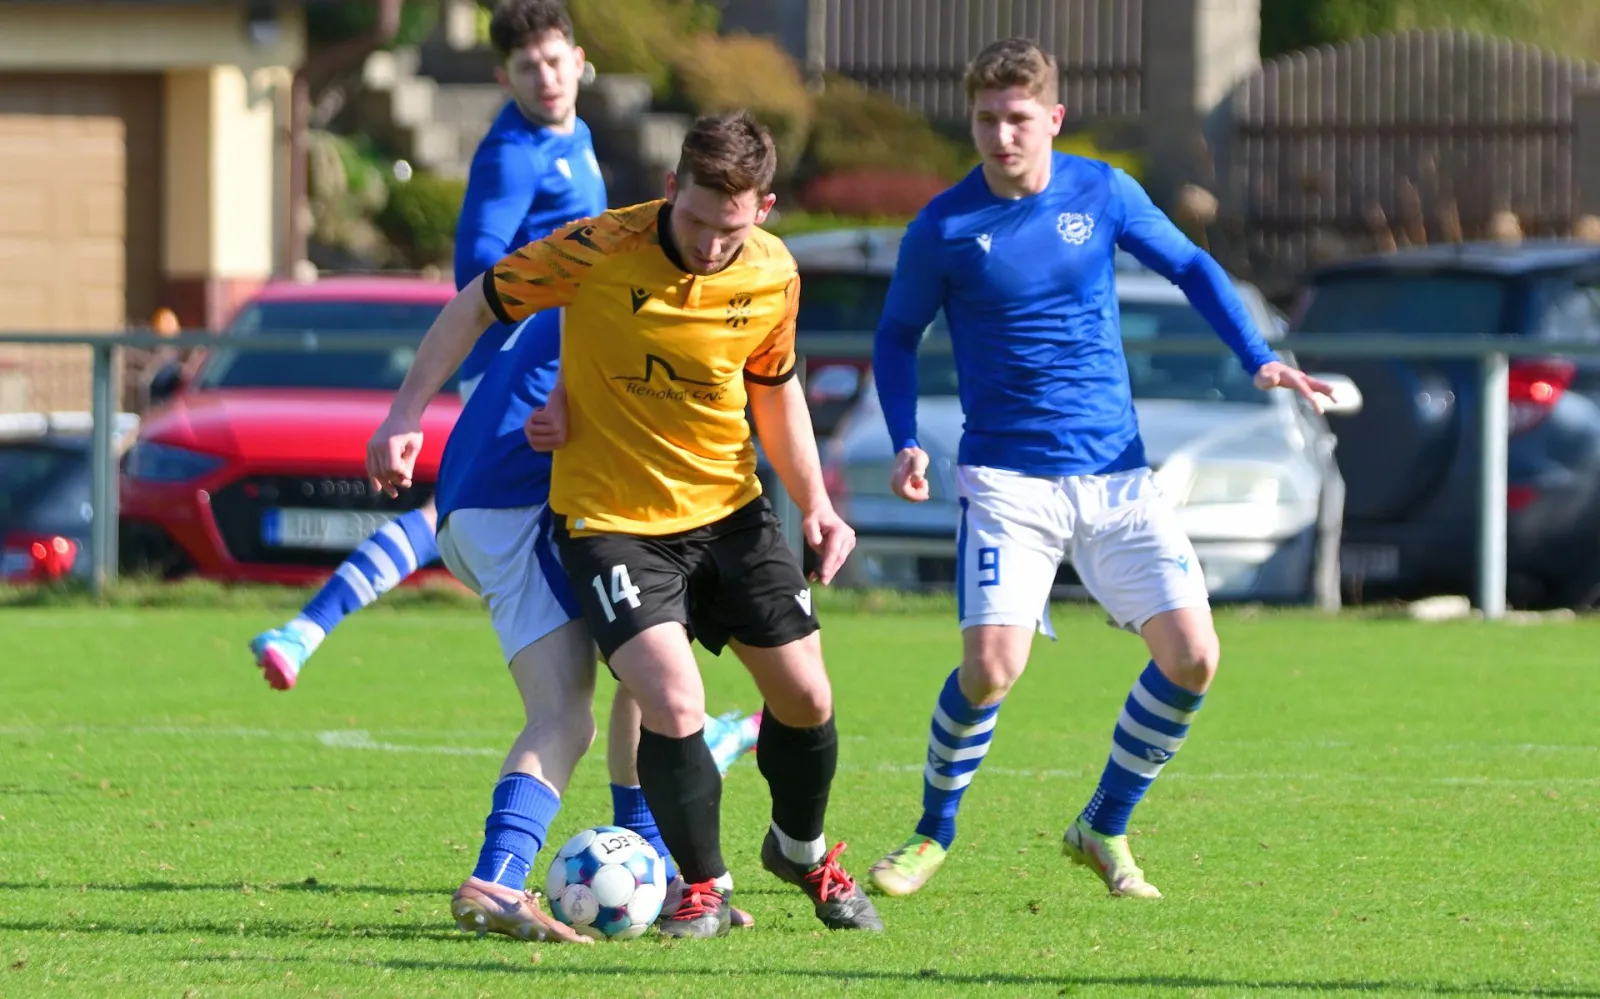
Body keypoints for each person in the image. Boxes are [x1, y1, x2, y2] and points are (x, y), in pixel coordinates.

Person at [368, 111, 884, 939]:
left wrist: (816, 502)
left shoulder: (775, 273)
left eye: (730, 228)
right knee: (672, 698)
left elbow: (774, 385)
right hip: (612, 523)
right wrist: (405, 413)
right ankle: (703, 885)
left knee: (806, 693)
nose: (710, 244)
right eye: (696, 220)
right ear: (671, 188)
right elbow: (478, 303)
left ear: (764, 208)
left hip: (730, 512)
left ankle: (802, 850)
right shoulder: (600, 247)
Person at [864, 38, 1334, 900]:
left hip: (1118, 476)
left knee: (1194, 656)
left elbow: (1191, 265)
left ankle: (1104, 823)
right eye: (985, 119)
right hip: (1007, 481)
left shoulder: (1103, 191)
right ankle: (932, 831)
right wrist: (905, 437)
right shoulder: (942, 226)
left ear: (1053, 118)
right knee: (990, 669)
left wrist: (1258, 356)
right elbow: (896, 336)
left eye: (1017, 118)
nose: (1002, 135)